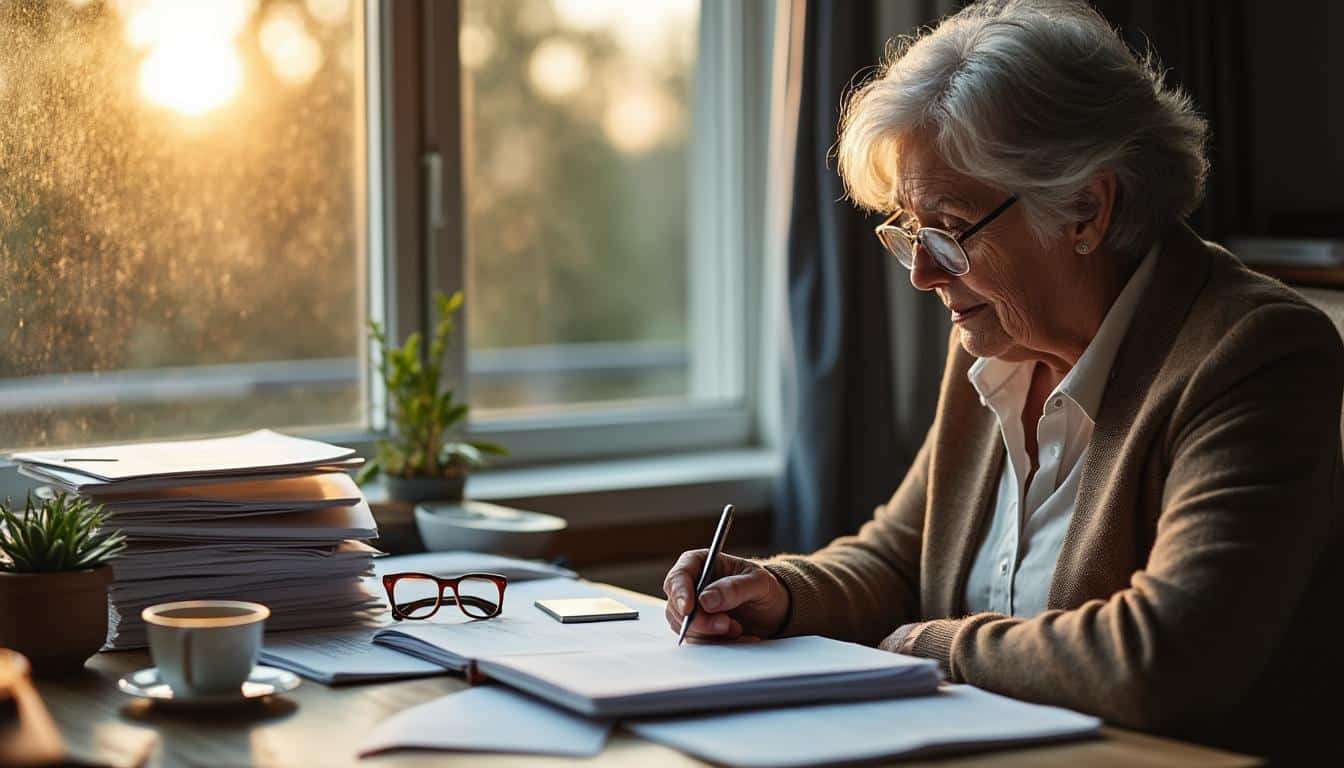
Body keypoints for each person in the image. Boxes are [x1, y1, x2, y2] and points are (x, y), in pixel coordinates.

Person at [662, 0, 1343, 761]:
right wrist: (777, 591)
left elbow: (1168, 653)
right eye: (908, 232)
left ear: (1086, 207)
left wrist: (937, 650)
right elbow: (899, 556)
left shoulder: (1255, 353)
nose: (922, 273)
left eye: (948, 231)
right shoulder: (999, 339)